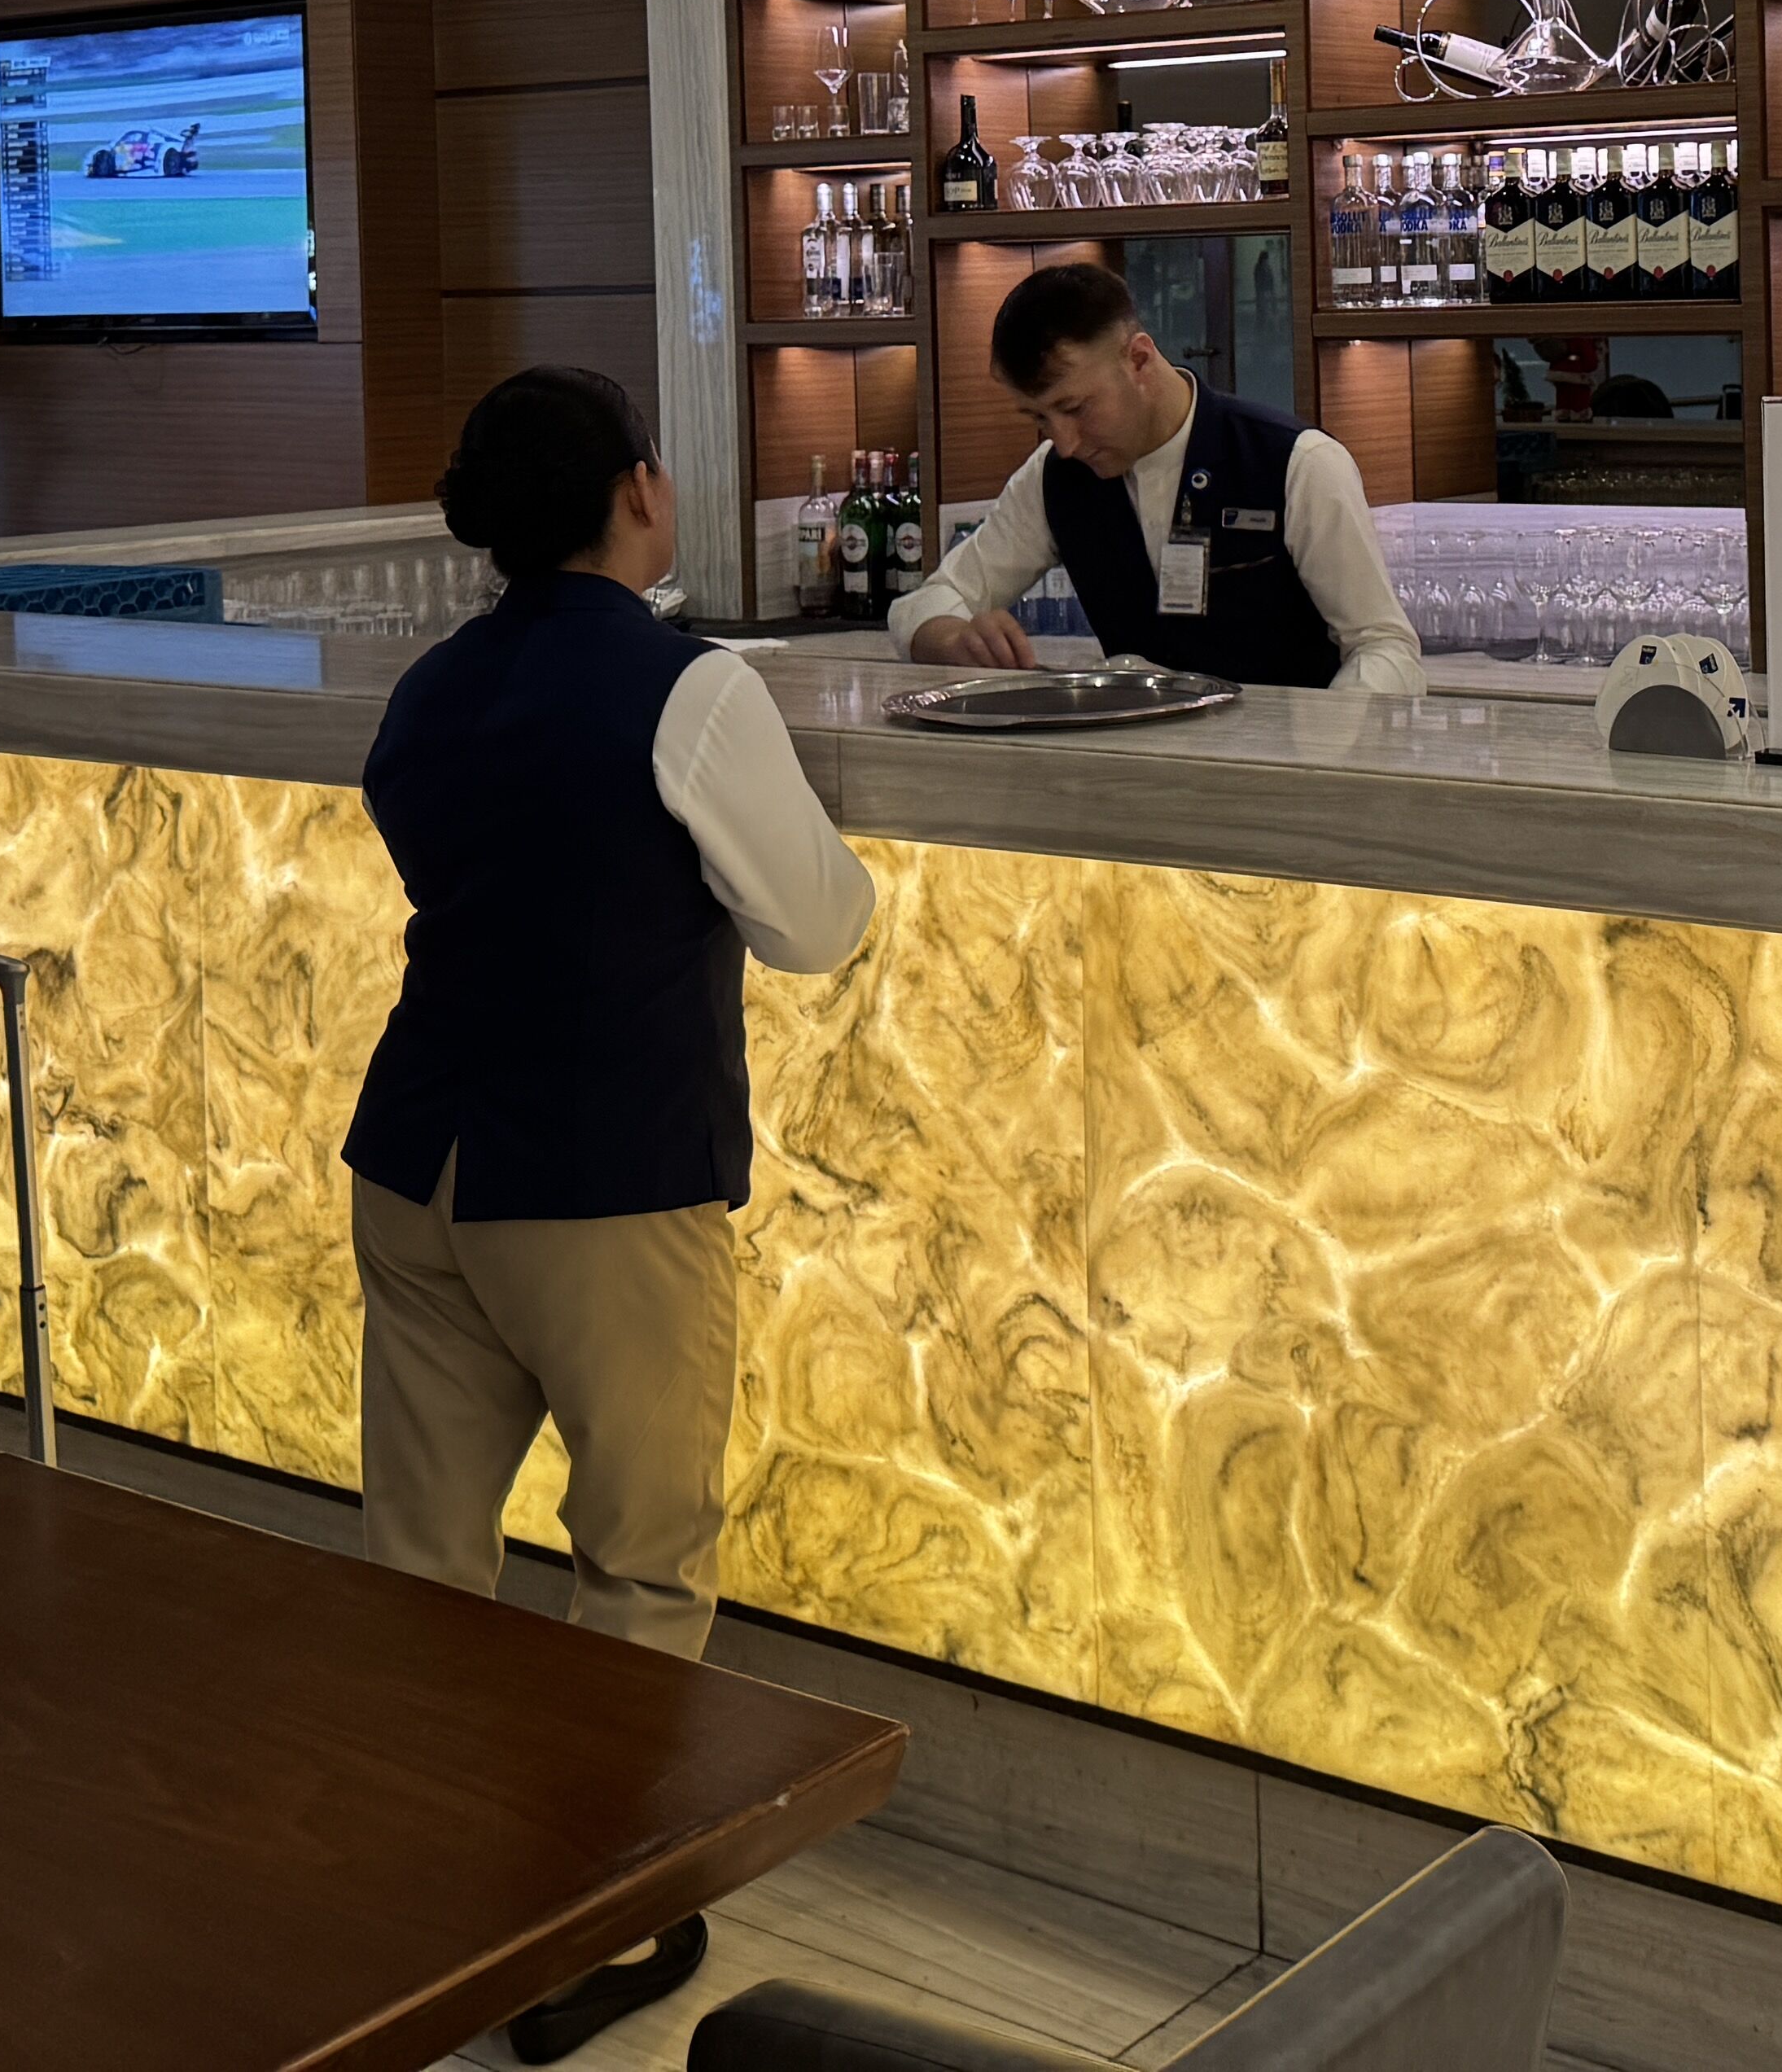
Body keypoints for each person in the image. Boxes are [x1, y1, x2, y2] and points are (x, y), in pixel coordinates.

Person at [345, 366, 873, 2061]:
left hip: (418, 1163)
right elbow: (816, 923)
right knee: (640, 1561)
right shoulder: (689, 688)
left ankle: (415, 1890)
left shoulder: (430, 685)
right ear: (640, 490)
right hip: (598, 1178)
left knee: (423, 1560)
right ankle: (592, 1924)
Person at [893, 259, 1422, 691]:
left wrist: (1330, 742)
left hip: (1289, 771)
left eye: (1075, 408)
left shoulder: (1298, 463)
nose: (1065, 443)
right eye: (1039, 418)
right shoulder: (1052, 477)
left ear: (1140, 360)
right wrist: (950, 639)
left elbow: (1384, 647)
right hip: (1133, 772)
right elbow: (927, 602)